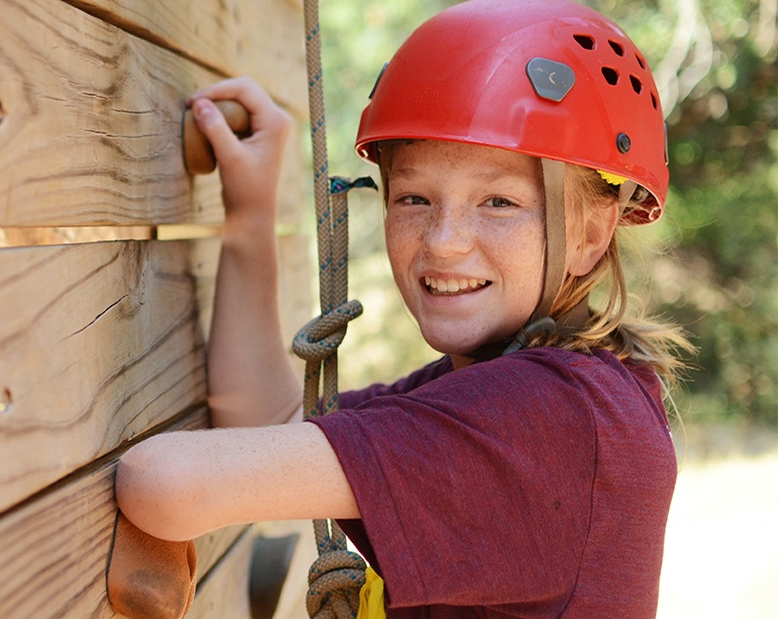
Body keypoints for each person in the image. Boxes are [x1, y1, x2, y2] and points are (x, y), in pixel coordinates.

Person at [114, 0, 692, 615]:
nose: (443, 240)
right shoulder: (531, 385)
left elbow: (165, 483)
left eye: (498, 202)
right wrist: (251, 216)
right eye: (414, 197)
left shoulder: (548, 418)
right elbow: (271, 428)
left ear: (592, 234)